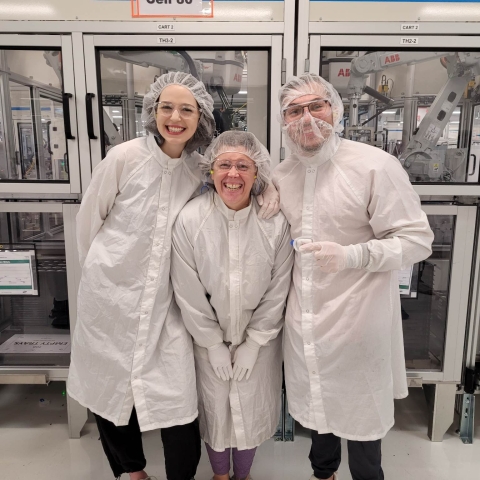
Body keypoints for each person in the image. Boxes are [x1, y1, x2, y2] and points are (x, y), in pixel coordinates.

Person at [68, 72, 280, 480]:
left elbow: (235, 177)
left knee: (179, 401)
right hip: (112, 293)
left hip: (168, 302)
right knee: (109, 386)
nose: (175, 117)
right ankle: (132, 471)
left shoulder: (197, 169)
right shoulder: (124, 157)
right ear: (153, 111)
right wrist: (102, 277)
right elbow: (87, 223)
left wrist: (269, 189)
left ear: (200, 116)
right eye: (167, 106)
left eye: (187, 108)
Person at [273, 74, 434, 480]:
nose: (306, 118)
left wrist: (353, 255)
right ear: (284, 120)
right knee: (318, 412)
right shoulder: (282, 175)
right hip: (304, 320)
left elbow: (416, 240)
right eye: (294, 111)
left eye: (316, 106)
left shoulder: (374, 165)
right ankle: (322, 474)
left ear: (335, 110)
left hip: (359, 318)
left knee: (362, 420)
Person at [171, 131, 293, 480]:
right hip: (207, 340)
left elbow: (279, 286)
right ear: (210, 170)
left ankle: (244, 475)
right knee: (215, 410)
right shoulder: (191, 220)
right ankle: (220, 475)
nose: (233, 174)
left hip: (261, 340)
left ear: (258, 173)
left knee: (251, 408)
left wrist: (255, 342)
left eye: (244, 165)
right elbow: (187, 288)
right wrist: (211, 343)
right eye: (224, 164)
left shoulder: (274, 222)